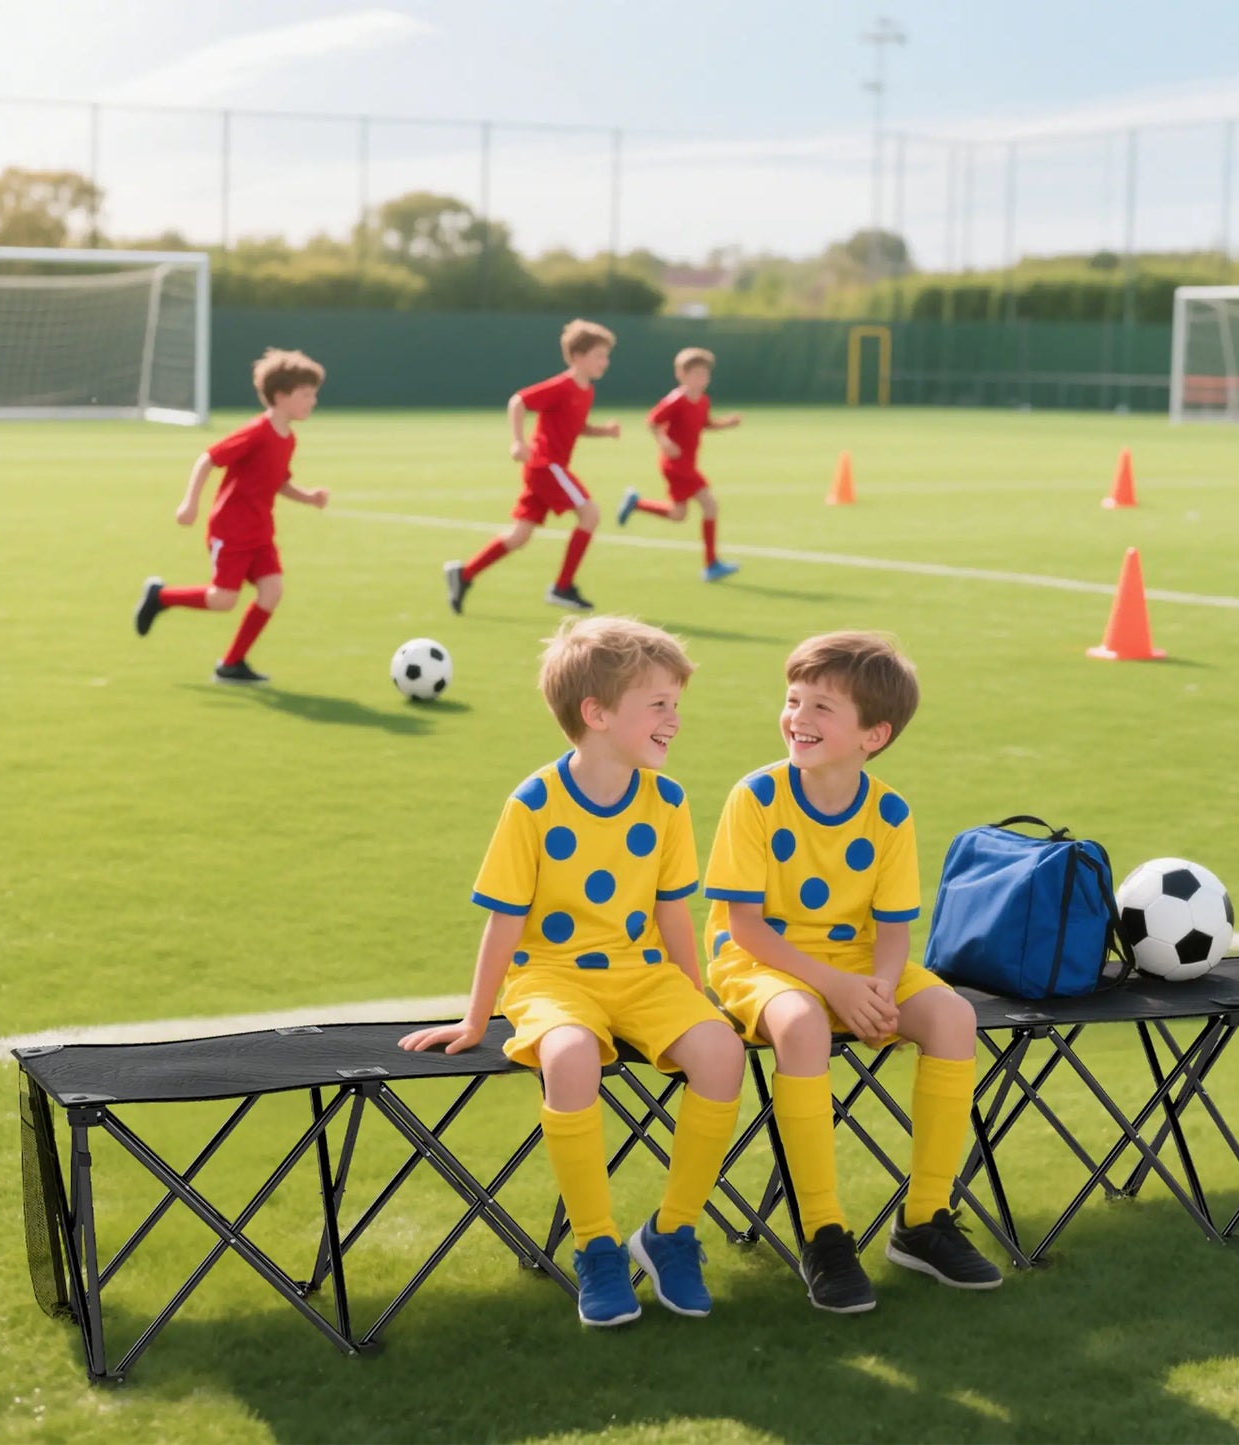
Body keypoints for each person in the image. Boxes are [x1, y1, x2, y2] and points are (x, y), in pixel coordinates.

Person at [400, 616, 745, 1327]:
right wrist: (475, 1017)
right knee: (570, 1054)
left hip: (643, 975)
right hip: (552, 979)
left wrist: (698, 994)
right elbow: (504, 918)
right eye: (658, 705)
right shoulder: (531, 803)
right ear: (596, 713)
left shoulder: (669, 800)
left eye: (675, 704)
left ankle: (670, 1232)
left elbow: (675, 910)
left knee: (720, 1051)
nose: (674, 720)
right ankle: (594, 1247)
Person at [702, 631, 1003, 1313]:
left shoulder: (889, 811)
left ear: (874, 734)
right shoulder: (754, 797)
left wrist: (878, 987)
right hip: (758, 962)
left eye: (821, 707)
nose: (796, 717)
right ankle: (823, 1230)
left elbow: (893, 927)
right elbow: (742, 925)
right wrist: (838, 988)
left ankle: (924, 1219)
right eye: (792, 699)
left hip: (859, 964)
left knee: (953, 1017)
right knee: (803, 1022)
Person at [134, 348, 327, 684]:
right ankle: (161, 597)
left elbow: (279, 481)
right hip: (232, 530)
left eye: (314, 394)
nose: (313, 401)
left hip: (260, 532)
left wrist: (307, 497)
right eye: (306, 395)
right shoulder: (256, 432)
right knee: (223, 600)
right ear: (280, 396)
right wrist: (189, 503)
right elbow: (208, 458)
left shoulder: (288, 438)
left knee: (272, 591)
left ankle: (231, 664)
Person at [445, 319, 620, 616]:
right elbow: (518, 401)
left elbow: (575, 427)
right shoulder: (562, 386)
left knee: (519, 536)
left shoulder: (586, 391)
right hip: (545, 466)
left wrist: (603, 431)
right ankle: (562, 587)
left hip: (548, 470)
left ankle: (464, 575)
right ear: (578, 357)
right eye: (599, 356)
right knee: (590, 514)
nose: (606, 362)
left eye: (606, 356)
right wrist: (517, 442)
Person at [615, 347, 741, 582]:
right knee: (710, 505)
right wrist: (664, 442)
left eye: (705, 374)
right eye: (696, 374)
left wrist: (726, 424)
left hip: (686, 464)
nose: (701, 379)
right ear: (681, 375)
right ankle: (711, 564)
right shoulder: (676, 400)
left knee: (677, 514)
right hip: (676, 465)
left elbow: (706, 424)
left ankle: (637, 503)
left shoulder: (703, 401)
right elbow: (651, 421)